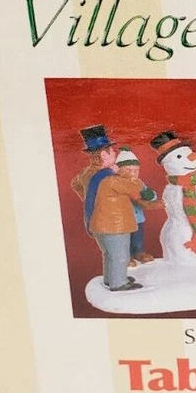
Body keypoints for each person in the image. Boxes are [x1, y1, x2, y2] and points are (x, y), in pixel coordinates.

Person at [70, 125, 144, 293]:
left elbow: (75, 184)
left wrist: (89, 199)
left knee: (108, 253)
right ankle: (119, 283)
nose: (115, 154)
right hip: (113, 224)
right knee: (120, 255)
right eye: (112, 152)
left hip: (95, 222)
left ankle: (110, 278)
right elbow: (136, 186)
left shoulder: (87, 173)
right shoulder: (111, 178)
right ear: (104, 155)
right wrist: (123, 172)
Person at [115, 146, 159, 267]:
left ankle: (139, 253)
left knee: (138, 238)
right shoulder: (116, 183)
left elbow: (153, 196)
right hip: (123, 220)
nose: (133, 173)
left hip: (138, 218)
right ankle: (126, 256)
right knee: (124, 239)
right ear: (118, 170)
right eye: (129, 170)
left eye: (136, 170)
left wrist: (150, 195)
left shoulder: (140, 183)